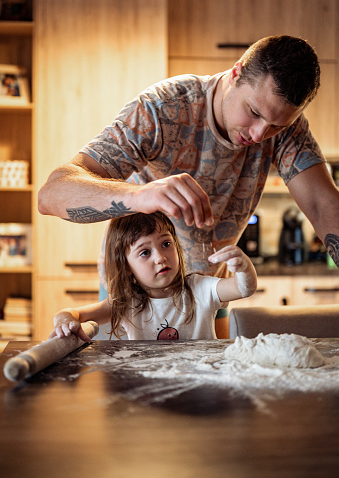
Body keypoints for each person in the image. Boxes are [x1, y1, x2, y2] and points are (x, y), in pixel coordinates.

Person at [38, 35, 339, 337]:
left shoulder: (287, 130)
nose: (261, 134)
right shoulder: (163, 108)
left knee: (211, 378)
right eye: (254, 113)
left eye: (277, 126)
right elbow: (52, 194)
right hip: (136, 293)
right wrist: (140, 196)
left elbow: (323, 205)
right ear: (236, 72)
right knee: (130, 381)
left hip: (209, 290)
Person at [49, 211, 257, 341]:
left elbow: (244, 288)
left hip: (200, 389)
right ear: (127, 266)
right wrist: (64, 321)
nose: (160, 257)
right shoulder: (126, 303)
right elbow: (71, 313)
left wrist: (244, 268)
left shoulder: (200, 288)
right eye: (145, 252)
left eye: (166, 244)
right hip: (147, 393)